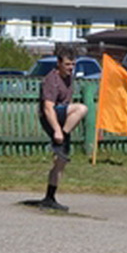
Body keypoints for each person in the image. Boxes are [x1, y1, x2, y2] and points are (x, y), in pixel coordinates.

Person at [37, 47, 88, 211]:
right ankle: (61, 139)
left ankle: (49, 197)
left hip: (62, 117)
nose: (70, 67)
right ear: (58, 63)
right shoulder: (51, 80)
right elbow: (47, 108)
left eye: (73, 64)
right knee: (81, 109)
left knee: (61, 161)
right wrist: (58, 131)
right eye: (67, 64)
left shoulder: (69, 78)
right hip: (50, 117)